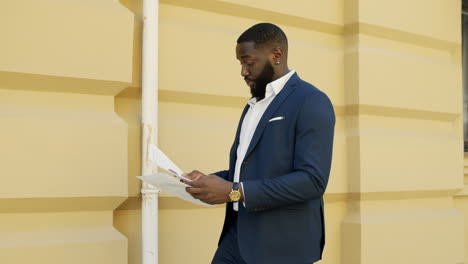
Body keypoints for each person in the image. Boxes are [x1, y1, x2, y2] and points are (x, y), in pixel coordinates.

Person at [183, 23, 335, 264]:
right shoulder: (253, 105)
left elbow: (312, 181)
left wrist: (234, 192)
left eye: (248, 62)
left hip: (282, 247)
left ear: (276, 55)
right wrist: (207, 181)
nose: (243, 71)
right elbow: (247, 171)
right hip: (237, 238)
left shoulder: (312, 101)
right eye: (240, 63)